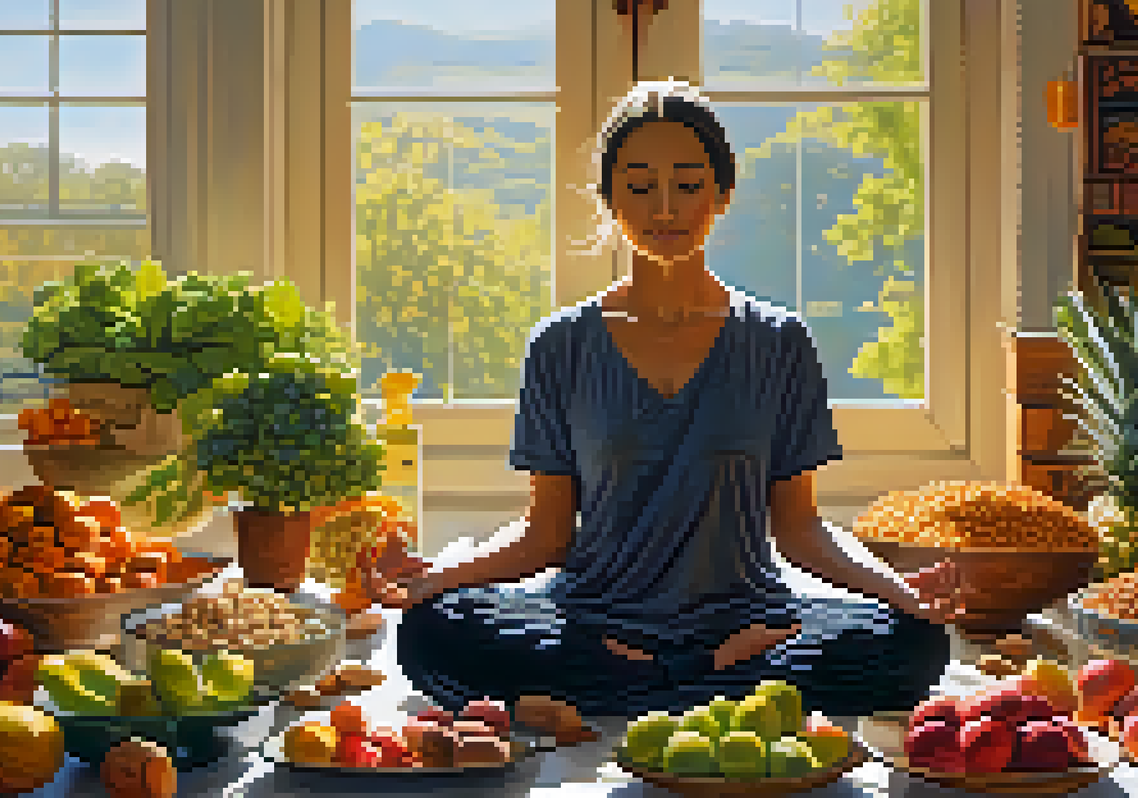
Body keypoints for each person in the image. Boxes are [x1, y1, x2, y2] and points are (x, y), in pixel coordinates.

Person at [366, 79, 960, 721]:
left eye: (688, 184)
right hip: (593, 619)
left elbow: (800, 530)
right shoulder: (560, 345)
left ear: (722, 193)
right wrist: (432, 580)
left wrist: (900, 592)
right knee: (428, 633)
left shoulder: (780, 342)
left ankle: (642, 683)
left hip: (746, 616)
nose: (666, 208)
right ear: (609, 198)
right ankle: (715, 682)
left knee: (914, 643)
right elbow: (544, 536)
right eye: (641, 186)